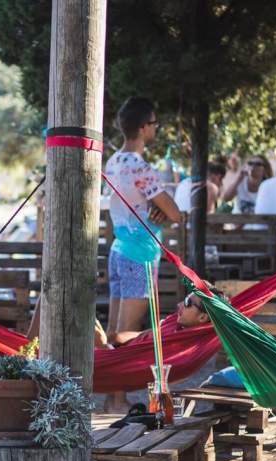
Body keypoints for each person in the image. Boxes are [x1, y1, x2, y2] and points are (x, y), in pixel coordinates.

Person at [105, 96, 182, 411]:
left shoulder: (113, 161)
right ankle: (117, 399)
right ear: (142, 127)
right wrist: (163, 209)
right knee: (127, 333)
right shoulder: (140, 167)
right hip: (139, 253)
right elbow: (175, 212)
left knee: (114, 329)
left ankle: (113, 396)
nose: (156, 128)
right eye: (154, 123)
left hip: (119, 247)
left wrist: (156, 209)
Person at [103, 290, 219, 347]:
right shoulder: (175, 322)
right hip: (117, 349)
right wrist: (110, 339)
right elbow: (140, 335)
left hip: (118, 358)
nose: (179, 304)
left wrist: (103, 345)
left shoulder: (177, 341)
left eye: (187, 302)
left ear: (203, 317)